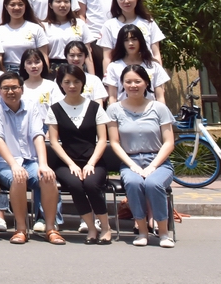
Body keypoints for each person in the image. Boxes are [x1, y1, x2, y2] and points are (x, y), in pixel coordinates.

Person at [0, 71, 61, 244]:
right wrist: (14, 165)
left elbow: (38, 135)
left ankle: (51, 228)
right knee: (18, 178)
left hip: (29, 160)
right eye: (5, 88)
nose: (10, 91)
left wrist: (43, 164)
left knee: (48, 177)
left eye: (14, 87)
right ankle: (21, 229)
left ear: (22, 89)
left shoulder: (31, 105)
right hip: (4, 162)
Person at [107, 65, 176, 248]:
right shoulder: (114, 109)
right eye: (128, 82)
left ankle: (163, 233)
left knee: (153, 184)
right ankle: (142, 231)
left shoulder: (159, 108)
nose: (133, 85)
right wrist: (132, 165)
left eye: (137, 81)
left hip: (159, 161)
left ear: (146, 83)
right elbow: (114, 142)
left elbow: (169, 142)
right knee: (133, 182)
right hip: (130, 161)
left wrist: (153, 166)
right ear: (122, 84)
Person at [46, 64, 114, 245]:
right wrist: (71, 164)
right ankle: (91, 228)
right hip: (67, 162)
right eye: (67, 82)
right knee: (75, 184)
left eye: (76, 81)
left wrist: (91, 163)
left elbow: (102, 139)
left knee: (91, 184)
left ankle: (105, 227)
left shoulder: (95, 107)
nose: (72, 86)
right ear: (60, 84)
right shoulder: (55, 109)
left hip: (93, 160)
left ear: (82, 83)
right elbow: (54, 142)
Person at [98, 0, 165, 68]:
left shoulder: (148, 22)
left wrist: (159, 73)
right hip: (121, 72)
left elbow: (156, 54)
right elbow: (107, 58)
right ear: (116, 0)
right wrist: (107, 75)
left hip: (147, 71)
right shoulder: (109, 25)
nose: (126, 1)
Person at [103, 25, 169, 105]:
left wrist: (162, 112)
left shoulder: (154, 66)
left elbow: (160, 97)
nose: (130, 43)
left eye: (134, 39)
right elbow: (112, 97)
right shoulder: (113, 67)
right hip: (123, 111)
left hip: (150, 110)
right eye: (126, 40)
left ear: (140, 41)